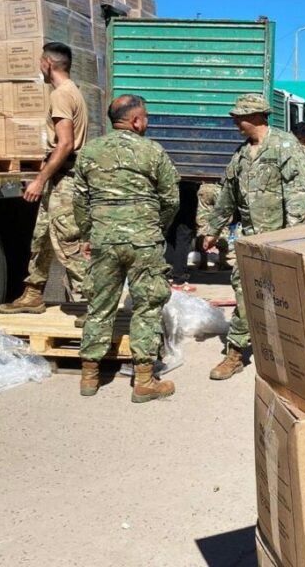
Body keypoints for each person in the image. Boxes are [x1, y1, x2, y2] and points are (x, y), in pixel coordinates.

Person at [72, 95, 180, 401]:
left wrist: (89, 234)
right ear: (135, 121)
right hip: (143, 241)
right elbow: (171, 198)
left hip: (104, 240)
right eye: (145, 117)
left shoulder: (89, 151)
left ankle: (89, 376)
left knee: (99, 305)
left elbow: (79, 200)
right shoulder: (152, 150)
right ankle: (144, 380)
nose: (147, 122)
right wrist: (157, 228)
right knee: (147, 305)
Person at [202, 94, 305, 381]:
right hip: (250, 240)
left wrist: (292, 239)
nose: (236, 122)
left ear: (258, 116)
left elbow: (297, 195)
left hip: (278, 240)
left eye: (240, 117)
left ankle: (292, 354)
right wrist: (213, 229)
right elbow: (227, 196)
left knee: (283, 299)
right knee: (244, 291)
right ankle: (235, 353)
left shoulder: (285, 146)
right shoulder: (241, 154)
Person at [0, 43, 90, 314]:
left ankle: (94, 302)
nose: (39, 67)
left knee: (68, 244)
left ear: (48, 63)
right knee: (42, 238)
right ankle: (33, 293)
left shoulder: (61, 95)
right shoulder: (72, 91)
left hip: (65, 181)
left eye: (40, 62)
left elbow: (65, 143)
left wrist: (39, 179)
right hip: (59, 180)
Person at [164, 182, 200, 292]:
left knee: (171, 236)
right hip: (186, 191)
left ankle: (168, 273)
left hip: (169, 192)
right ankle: (179, 278)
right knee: (183, 237)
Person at [195, 183, 230, 271]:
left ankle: (203, 262)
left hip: (205, 186)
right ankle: (222, 261)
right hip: (220, 187)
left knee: (203, 223)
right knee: (223, 223)